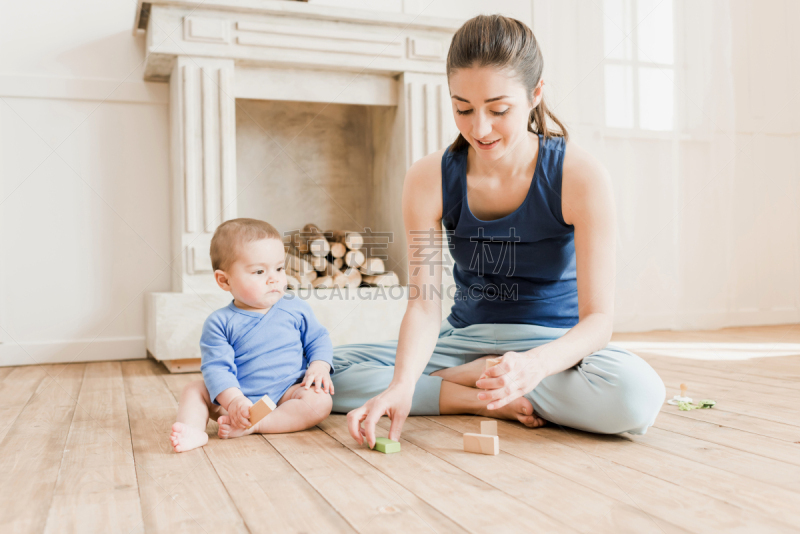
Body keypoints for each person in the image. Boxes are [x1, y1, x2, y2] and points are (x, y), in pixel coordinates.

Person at [330, 14, 666, 449]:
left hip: (552, 348)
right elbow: (425, 306)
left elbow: (598, 322)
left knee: (634, 395)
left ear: (536, 93)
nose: (479, 129)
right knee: (323, 371)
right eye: (463, 109)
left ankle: (462, 385)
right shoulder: (427, 178)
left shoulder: (581, 176)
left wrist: (534, 366)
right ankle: (472, 394)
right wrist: (401, 380)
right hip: (464, 341)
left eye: (499, 109)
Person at [170, 218, 334, 453]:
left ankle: (260, 425)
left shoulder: (295, 307)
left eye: (279, 268)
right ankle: (194, 431)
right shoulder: (220, 322)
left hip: (288, 393)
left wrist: (319, 366)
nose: (273, 278)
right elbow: (217, 369)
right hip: (238, 401)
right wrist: (234, 401)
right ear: (224, 280)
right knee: (194, 390)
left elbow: (318, 339)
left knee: (320, 401)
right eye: (259, 271)